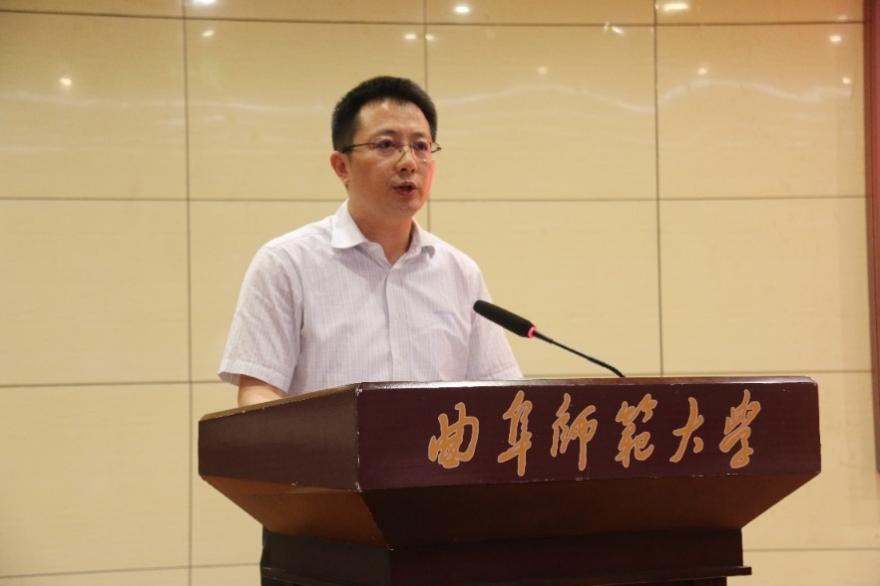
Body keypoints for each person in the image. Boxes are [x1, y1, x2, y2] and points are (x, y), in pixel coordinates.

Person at [219, 75, 521, 409]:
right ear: (341, 166)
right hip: (327, 447)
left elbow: (501, 395)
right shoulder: (286, 264)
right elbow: (259, 393)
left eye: (421, 146)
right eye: (386, 145)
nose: (408, 162)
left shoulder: (460, 273)